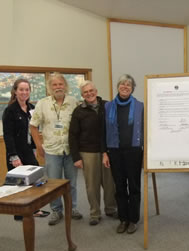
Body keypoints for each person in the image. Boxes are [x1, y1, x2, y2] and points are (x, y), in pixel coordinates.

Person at [30, 72, 83, 226]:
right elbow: (33, 126)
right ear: (49, 87)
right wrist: (39, 145)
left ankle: (72, 208)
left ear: (65, 86)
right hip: (52, 150)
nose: (58, 87)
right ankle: (56, 210)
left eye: (60, 84)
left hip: (70, 150)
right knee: (53, 183)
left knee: (71, 182)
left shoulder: (74, 103)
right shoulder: (42, 104)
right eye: (54, 84)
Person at [69, 80, 117, 226]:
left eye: (91, 91)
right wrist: (76, 157)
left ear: (96, 91)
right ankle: (95, 213)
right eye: (85, 92)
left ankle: (110, 208)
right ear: (82, 95)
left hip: (107, 151)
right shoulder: (79, 111)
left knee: (110, 183)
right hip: (87, 152)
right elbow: (72, 135)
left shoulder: (108, 106)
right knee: (92, 184)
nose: (89, 94)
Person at [2, 78, 50, 220]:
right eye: (21, 89)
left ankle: (33, 209)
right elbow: (8, 135)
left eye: (27, 89)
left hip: (28, 150)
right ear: (15, 92)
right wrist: (13, 156)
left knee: (33, 179)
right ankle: (19, 213)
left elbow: (34, 130)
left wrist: (35, 149)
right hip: (16, 152)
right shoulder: (10, 110)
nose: (24, 92)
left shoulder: (31, 108)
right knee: (18, 183)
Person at [103, 74, 143, 234]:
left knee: (134, 186)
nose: (125, 87)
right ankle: (123, 219)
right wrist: (105, 153)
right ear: (118, 86)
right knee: (119, 187)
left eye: (128, 85)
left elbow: (145, 129)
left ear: (133, 88)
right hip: (114, 151)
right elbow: (103, 131)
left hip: (133, 151)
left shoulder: (140, 106)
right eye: (122, 84)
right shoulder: (108, 107)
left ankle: (133, 219)